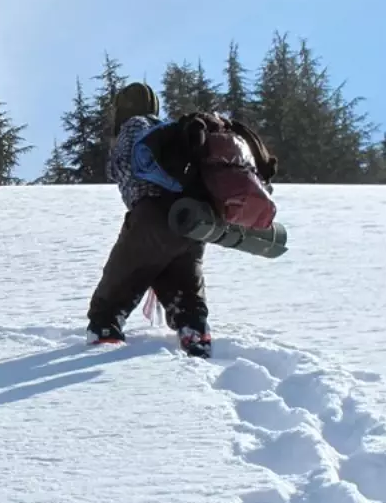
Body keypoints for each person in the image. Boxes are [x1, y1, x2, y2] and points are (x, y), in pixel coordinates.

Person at [86, 82, 276, 358]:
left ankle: (105, 333)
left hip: (153, 215)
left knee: (121, 278)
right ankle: (195, 331)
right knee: (184, 284)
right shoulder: (177, 133)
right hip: (191, 220)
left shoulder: (134, 127)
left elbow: (123, 167)